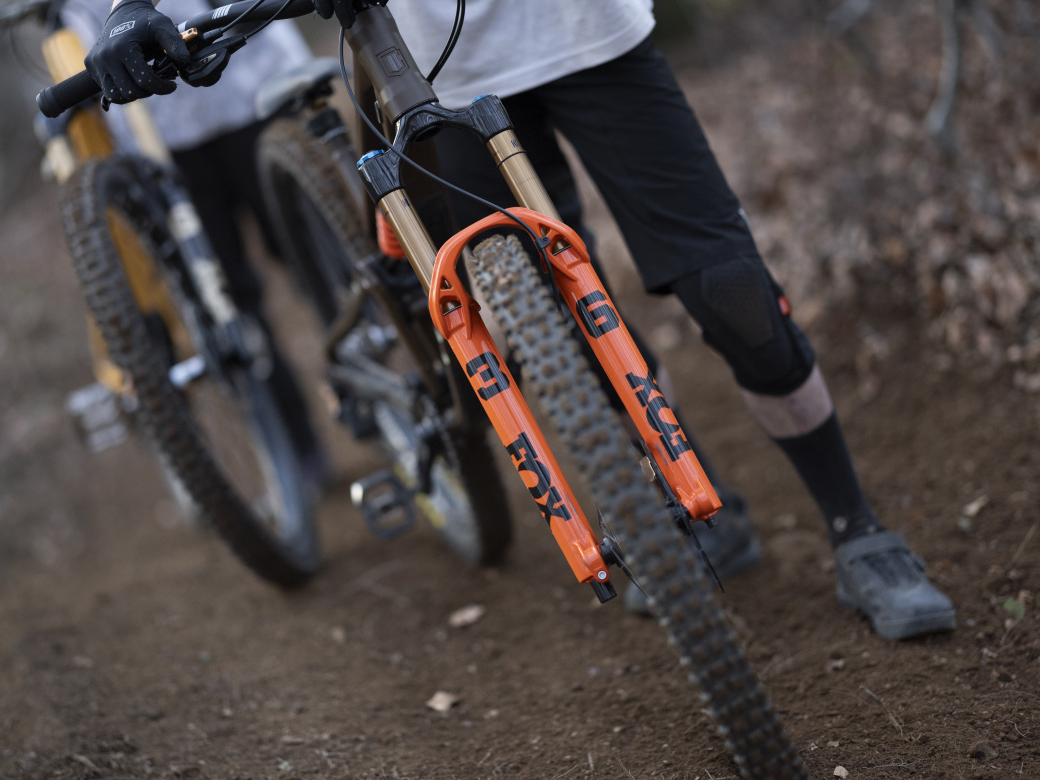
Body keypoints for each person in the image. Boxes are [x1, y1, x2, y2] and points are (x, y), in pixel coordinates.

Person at [83, 0, 955, 641]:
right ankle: (693, 501)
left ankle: (859, 530)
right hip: (416, 60)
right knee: (543, 316)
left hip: (578, 28)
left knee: (733, 296)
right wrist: (136, 11)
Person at [66, 0, 327, 484]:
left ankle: (380, 384)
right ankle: (297, 447)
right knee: (227, 301)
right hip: (162, 140)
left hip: (253, 86)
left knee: (315, 255)